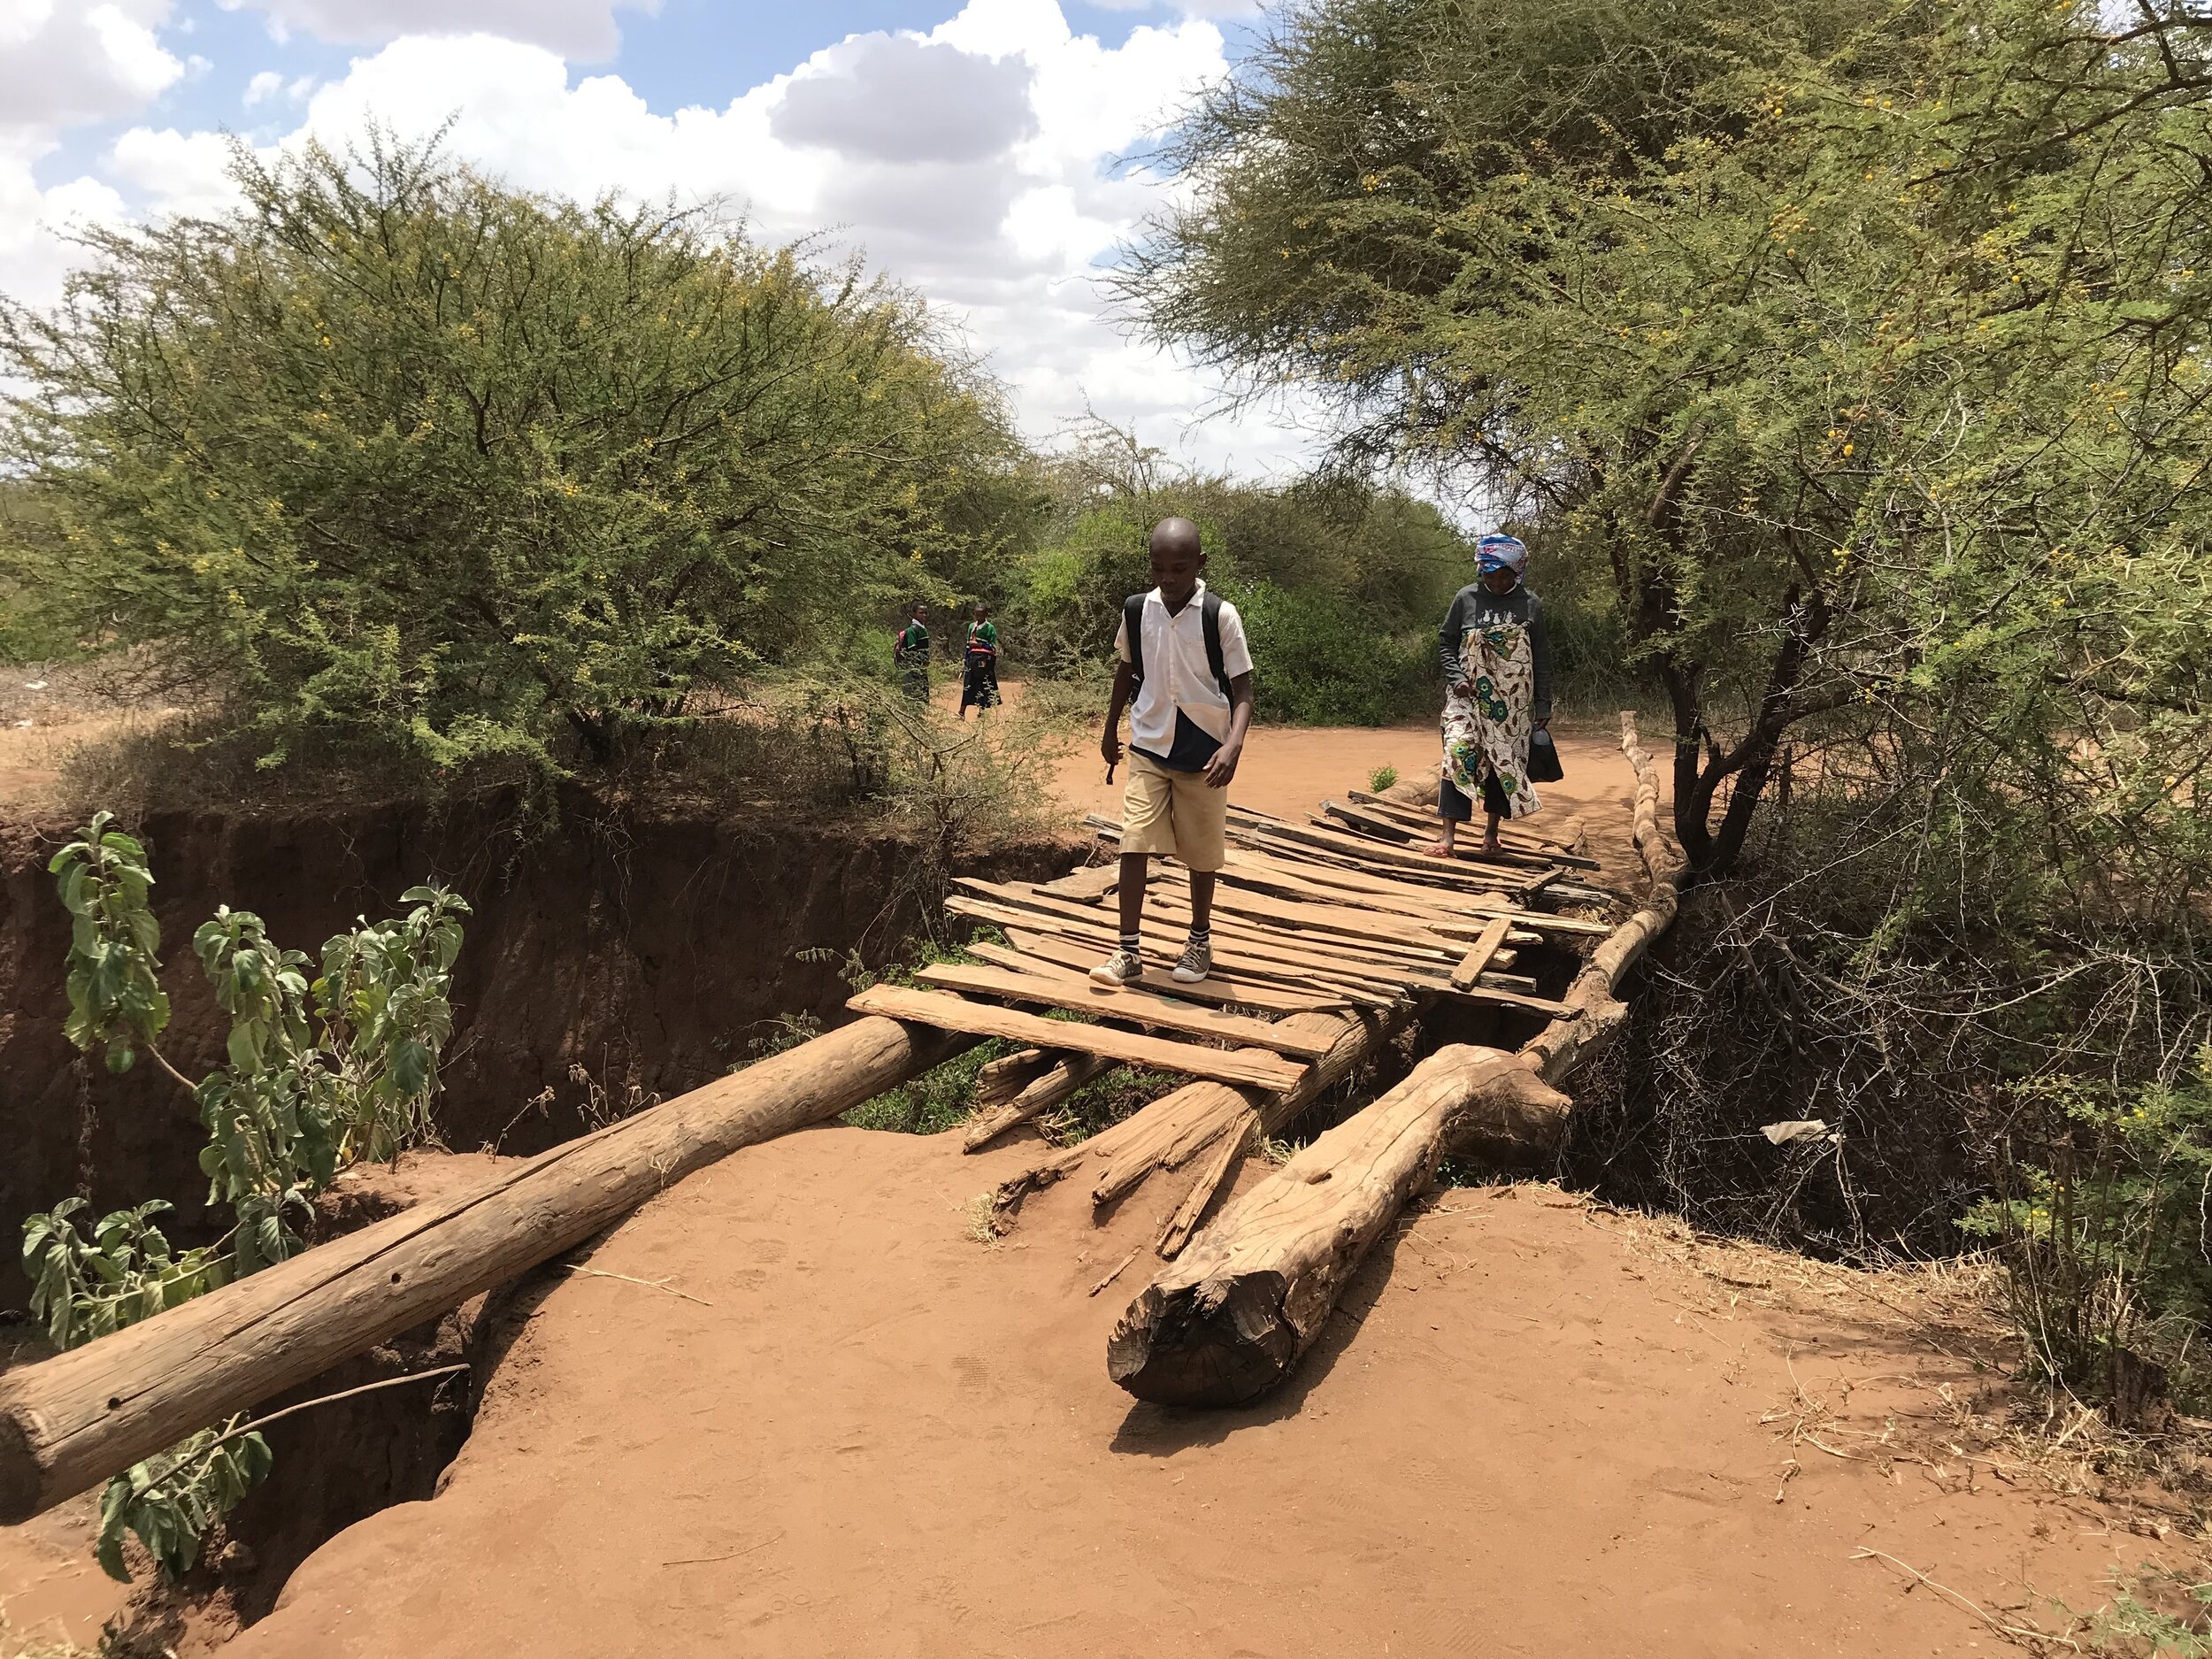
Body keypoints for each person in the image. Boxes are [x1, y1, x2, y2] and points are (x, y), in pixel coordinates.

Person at [1093, 518, 1254, 987]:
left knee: (1202, 855)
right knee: (1133, 842)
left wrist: (1233, 746)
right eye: (1158, 568)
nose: (1167, 579)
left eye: (1179, 569)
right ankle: (1128, 952)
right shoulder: (1136, 610)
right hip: (1148, 742)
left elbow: (1243, 689)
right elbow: (1125, 672)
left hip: (1204, 753)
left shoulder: (1221, 616)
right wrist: (1109, 730)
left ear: (1200, 564)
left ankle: (1199, 941)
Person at [1431, 533, 1551, 858]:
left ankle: (1491, 835)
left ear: (1517, 572)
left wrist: (1543, 702)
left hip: (1513, 702)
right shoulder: (1466, 598)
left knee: (1505, 762)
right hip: (1466, 697)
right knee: (1458, 752)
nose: (1496, 582)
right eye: (1489, 575)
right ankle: (1447, 839)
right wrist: (1456, 678)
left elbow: (1540, 656)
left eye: (1503, 576)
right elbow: (1446, 643)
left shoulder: (1530, 604)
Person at [959, 603, 1001, 718]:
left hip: (984, 662)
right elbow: (968, 645)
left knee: (983, 685)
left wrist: (979, 644)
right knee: (968, 685)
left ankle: (982, 711)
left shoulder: (990, 628)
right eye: (977, 615)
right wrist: (966, 660)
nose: (979, 618)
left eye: (981, 615)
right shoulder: (971, 627)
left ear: (986, 614)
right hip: (972, 661)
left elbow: (992, 647)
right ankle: (961, 712)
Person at [894, 603, 930, 702]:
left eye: (926, 613)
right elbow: (912, 651)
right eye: (921, 613)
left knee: (922, 692)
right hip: (913, 667)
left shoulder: (922, 629)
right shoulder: (913, 630)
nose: (924, 615)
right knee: (913, 692)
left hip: (921, 667)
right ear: (913, 614)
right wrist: (919, 663)